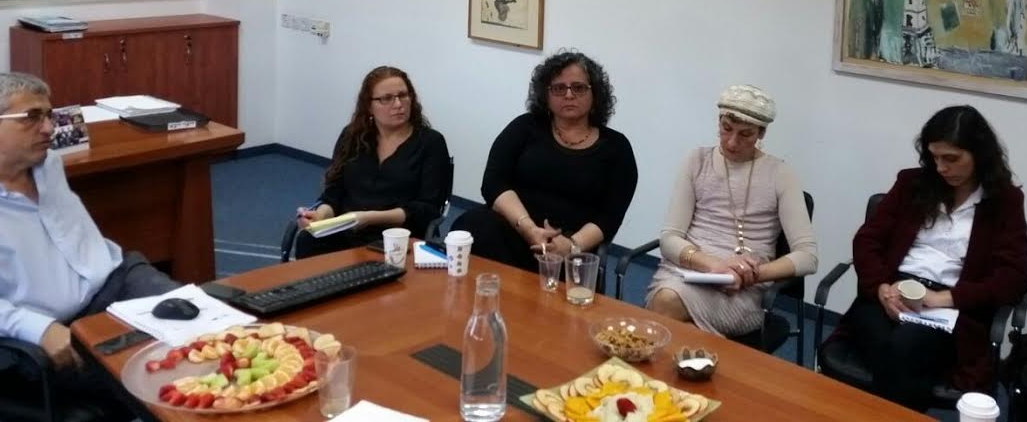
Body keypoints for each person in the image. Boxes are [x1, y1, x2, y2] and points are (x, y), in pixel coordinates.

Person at [0, 72, 180, 413]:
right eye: (32, 117)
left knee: (213, 331)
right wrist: (41, 329)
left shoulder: (46, 162)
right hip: (52, 330)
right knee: (167, 377)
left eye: (49, 115)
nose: (49, 128)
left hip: (118, 280)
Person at [834, 105, 1027, 411]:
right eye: (934, 157)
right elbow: (867, 239)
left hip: (951, 306)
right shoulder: (912, 183)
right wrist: (881, 288)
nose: (941, 168)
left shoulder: (1003, 200)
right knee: (890, 346)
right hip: (893, 292)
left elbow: (1014, 277)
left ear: (979, 154)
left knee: (904, 348)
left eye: (951, 158)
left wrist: (944, 299)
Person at [644, 85, 817, 337]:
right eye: (726, 129)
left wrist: (749, 274)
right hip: (687, 272)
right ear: (719, 121)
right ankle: (714, 357)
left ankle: (703, 356)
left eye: (745, 134)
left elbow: (808, 257)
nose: (732, 142)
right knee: (668, 301)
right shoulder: (696, 161)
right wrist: (715, 266)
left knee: (664, 308)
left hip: (742, 289)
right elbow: (669, 238)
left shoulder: (780, 174)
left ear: (761, 133)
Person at [453, 49, 638, 271]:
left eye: (578, 88)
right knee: (472, 227)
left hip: (572, 244)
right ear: (545, 95)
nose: (569, 95)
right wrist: (528, 229)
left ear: (595, 94)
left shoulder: (617, 148)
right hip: (515, 226)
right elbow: (493, 184)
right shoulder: (524, 128)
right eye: (559, 88)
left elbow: (610, 216)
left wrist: (570, 245)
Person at [294, 66, 450, 258]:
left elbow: (427, 209)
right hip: (348, 229)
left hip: (399, 235)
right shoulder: (352, 136)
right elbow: (333, 194)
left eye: (403, 95)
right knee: (307, 240)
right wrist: (320, 217)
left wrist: (368, 218)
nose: (398, 104)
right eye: (386, 98)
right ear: (369, 106)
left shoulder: (431, 142)